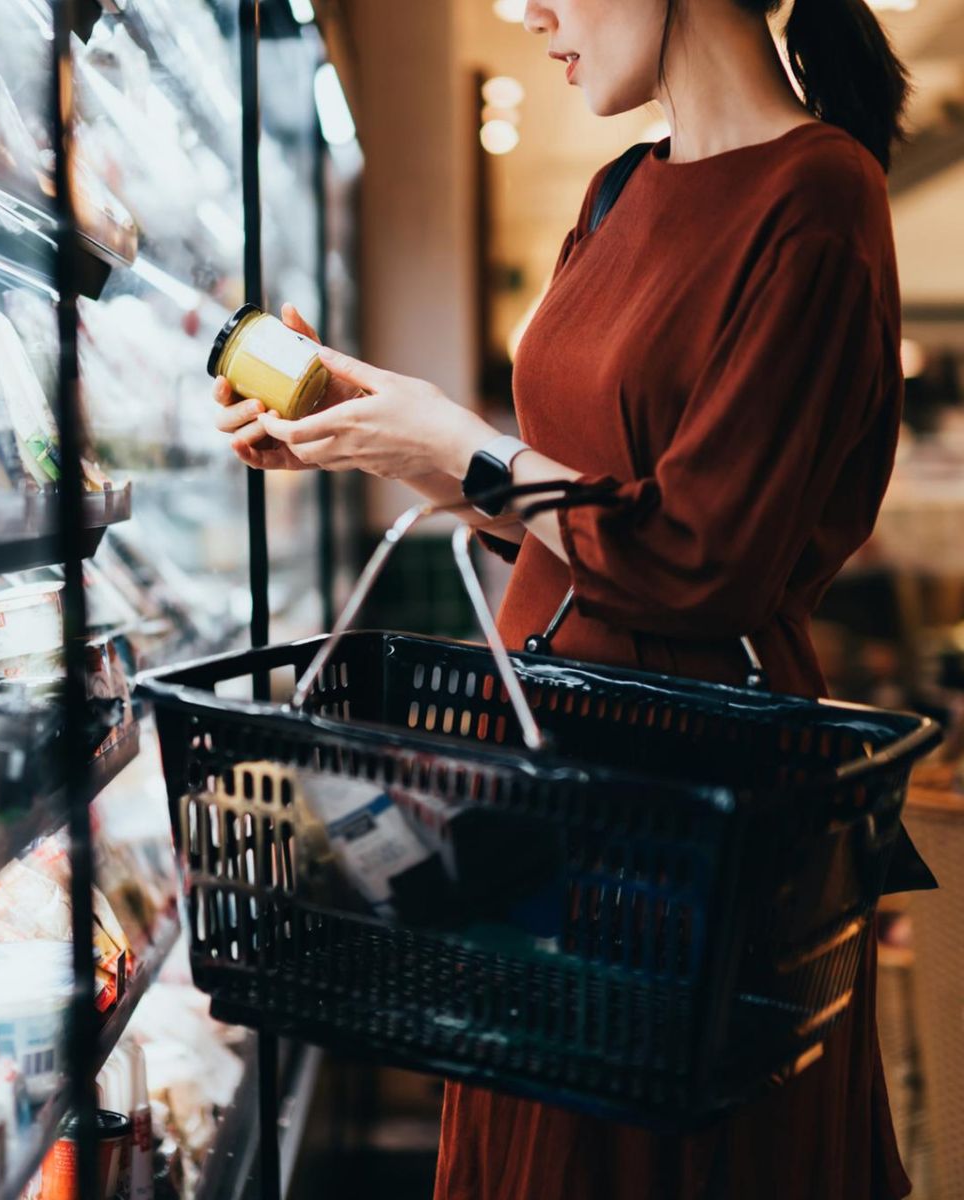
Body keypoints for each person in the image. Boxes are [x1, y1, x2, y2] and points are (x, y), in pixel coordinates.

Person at [213, 0, 915, 1194]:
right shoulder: (615, 192)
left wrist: (466, 444)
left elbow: (700, 559)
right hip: (549, 782)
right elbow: (586, 516)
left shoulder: (818, 197)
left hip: (688, 816)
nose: (525, 12)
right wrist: (388, 436)